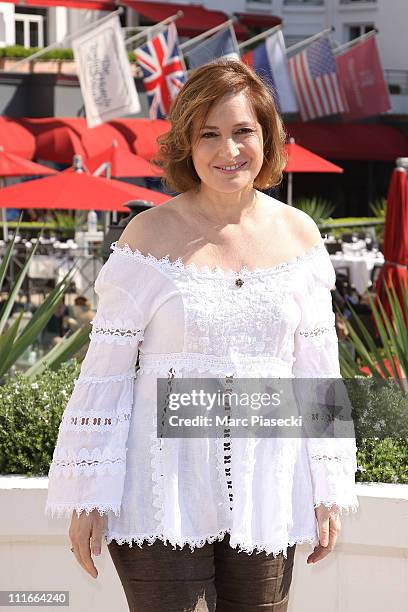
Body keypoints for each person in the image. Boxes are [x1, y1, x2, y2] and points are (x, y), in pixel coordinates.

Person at [45, 59, 359, 611]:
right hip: (161, 487)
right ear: (187, 144)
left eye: (243, 131)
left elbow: (317, 374)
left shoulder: (300, 237)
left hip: (267, 488)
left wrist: (329, 490)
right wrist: (87, 495)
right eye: (209, 134)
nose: (228, 150)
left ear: (268, 138)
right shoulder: (147, 236)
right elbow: (106, 374)